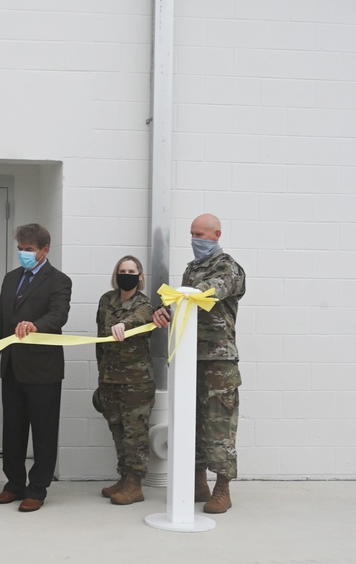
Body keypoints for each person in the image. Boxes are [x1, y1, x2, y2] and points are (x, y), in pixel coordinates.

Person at [152, 213, 245, 514]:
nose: (195, 240)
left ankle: (222, 488)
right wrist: (164, 310)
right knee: (190, 421)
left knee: (218, 423)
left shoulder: (228, 266)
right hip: (188, 357)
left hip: (219, 361)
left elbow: (213, 291)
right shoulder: (191, 269)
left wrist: (181, 296)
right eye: (192, 234)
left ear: (216, 235)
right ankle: (197, 481)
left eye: (200, 235)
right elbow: (179, 302)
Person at [0, 223, 72, 513]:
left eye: (29, 250)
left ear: (45, 250)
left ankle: (37, 489)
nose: (24, 254)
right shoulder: (10, 279)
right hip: (11, 366)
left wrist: (36, 325)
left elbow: (58, 315)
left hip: (42, 369)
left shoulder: (59, 281)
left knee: (43, 431)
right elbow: (1, 318)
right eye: (20, 249)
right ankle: (13, 485)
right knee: (13, 429)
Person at [93, 255, 155, 506]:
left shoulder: (145, 303)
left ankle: (135, 484)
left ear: (139, 276)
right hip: (110, 378)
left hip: (136, 382)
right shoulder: (107, 300)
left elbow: (140, 317)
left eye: (131, 270)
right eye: (122, 270)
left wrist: (123, 324)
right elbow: (100, 340)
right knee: (117, 429)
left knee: (135, 434)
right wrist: (101, 376)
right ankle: (124, 478)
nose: (126, 274)